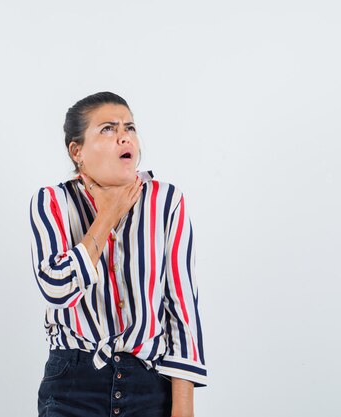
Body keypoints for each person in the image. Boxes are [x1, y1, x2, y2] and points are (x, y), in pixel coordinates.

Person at [29, 92, 207, 417]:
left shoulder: (166, 202)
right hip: (72, 384)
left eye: (130, 127)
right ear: (77, 150)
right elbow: (58, 289)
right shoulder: (52, 202)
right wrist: (108, 214)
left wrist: (183, 407)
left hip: (149, 386)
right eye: (108, 129)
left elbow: (182, 311)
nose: (124, 135)